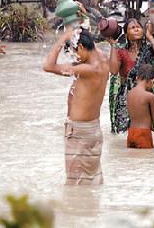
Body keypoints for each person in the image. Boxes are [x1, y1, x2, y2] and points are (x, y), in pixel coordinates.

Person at [43, 28, 109, 185]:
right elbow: (89, 43)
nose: (75, 57)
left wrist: (61, 40)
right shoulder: (103, 59)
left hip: (80, 133)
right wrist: (75, 27)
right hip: (93, 130)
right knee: (91, 182)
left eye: (74, 51)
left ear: (80, 47)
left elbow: (48, 66)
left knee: (75, 186)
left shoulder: (87, 69)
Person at [108, 18, 154, 134]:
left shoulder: (149, 50)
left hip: (144, 99)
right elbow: (113, 71)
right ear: (126, 34)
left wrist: (150, 38)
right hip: (125, 100)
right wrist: (113, 46)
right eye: (132, 28)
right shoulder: (122, 52)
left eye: (138, 27)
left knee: (143, 130)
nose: (136, 29)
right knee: (122, 135)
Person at [127, 64, 154, 149]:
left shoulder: (129, 94)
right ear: (151, 81)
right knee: (146, 160)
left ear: (137, 78)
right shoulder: (149, 96)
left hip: (131, 132)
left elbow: (139, 116)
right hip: (144, 134)